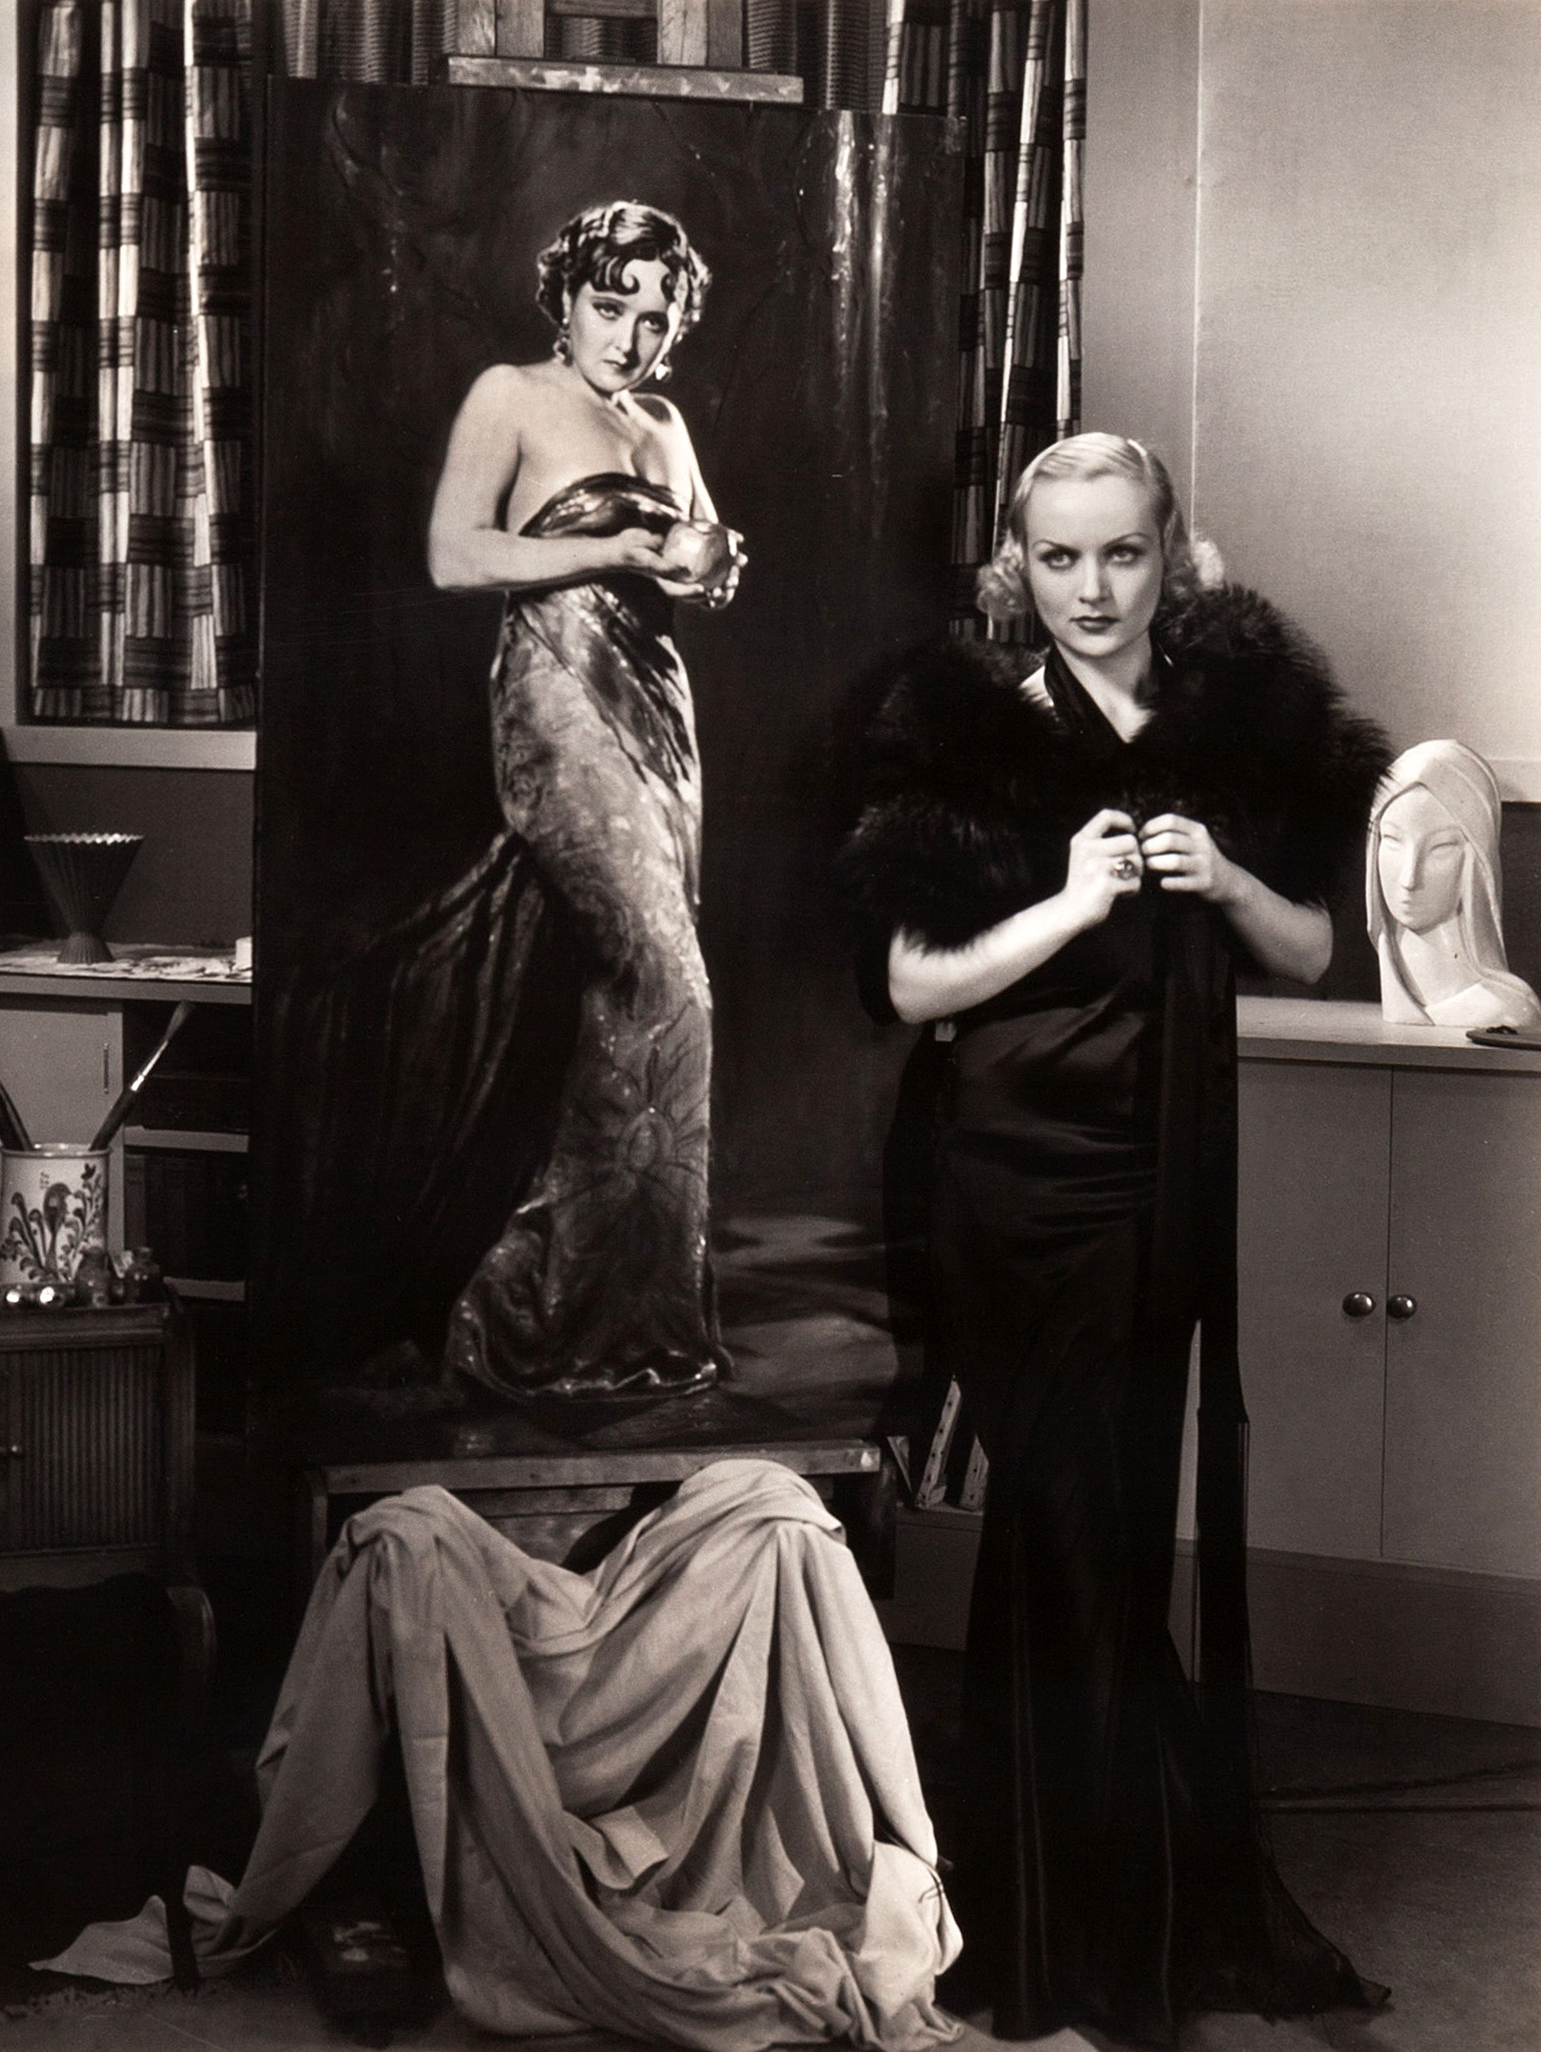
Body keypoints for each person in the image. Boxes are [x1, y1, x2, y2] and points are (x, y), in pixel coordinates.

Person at [839, 434, 1391, 2045]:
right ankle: (1098, 1930)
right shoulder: (968, 737)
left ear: (1171, 557)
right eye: (1059, 558)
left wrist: (1219, 877)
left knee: (1096, 1532)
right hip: (1012, 1179)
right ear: (1018, 569)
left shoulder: (1236, 732)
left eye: (1121, 555)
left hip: (1168, 1180)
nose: (1091, 590)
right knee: (1072, 1524)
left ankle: (1072, 1901)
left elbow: (1309, 950)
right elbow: (910, 986)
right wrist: (1067, 908)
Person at [418, 199, 744, 1403]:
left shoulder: (662, 423)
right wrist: (610, 551)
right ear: (564, 296)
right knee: (663, 985)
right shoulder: (509, 395)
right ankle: (537, 1311)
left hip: (658, 711)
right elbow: (456, 555)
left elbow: (697, 555)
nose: (631, 337)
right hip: (555, 703)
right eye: (611, 307)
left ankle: (624, 1321)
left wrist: (713, 568)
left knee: (637, 1002)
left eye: (655, 318)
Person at [1367, 737, 1541, 1029]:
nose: (1409, 878)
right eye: (1393, 840)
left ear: (1479, 859)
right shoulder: (1390, 972)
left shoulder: (1509, 1009)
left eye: (1441, 848)